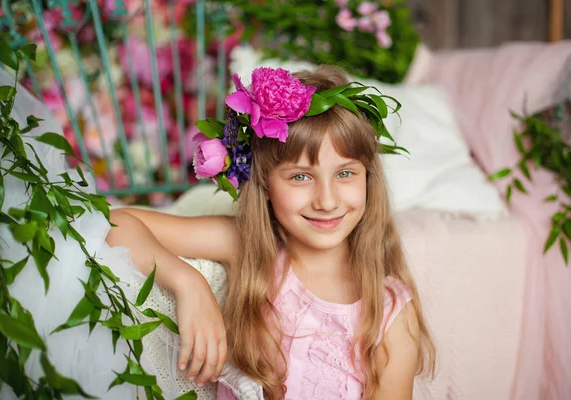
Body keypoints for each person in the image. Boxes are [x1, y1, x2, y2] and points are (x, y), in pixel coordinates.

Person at [106, 65, 435, 399]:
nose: (326, 200)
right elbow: (114, 223)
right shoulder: (249, 248)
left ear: (367, 179)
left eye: (345, 174)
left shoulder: (389, 311)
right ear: (264, 184)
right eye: (300, 177)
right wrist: (189, 283)